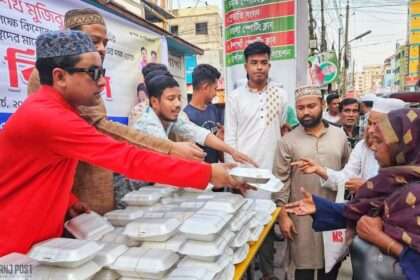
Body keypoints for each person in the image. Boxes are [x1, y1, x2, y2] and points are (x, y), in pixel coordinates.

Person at [0, 30, 250, 257]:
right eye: (94, 73)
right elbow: (128, 158)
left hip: (38, 240)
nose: (101, 82)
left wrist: (68, 201)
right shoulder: (49, 116)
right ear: (60, 76)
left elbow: (34, 172)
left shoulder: (60, 111)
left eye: (103, 73)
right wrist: (208, 173)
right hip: (13, 244)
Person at [26, 9, 203, 214]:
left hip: (90, 180)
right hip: (68, 184)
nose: (101, 49)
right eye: (94, 41)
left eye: (105, 43)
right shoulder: (48, 88)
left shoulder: (79, 79)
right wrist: (174, 152)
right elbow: (101, 131)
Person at [284, 108, 420, 280]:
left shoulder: (413, 193)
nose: (373, 147)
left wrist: (383, 240)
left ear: (402, 146)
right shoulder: (392, 181)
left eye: (378, 141)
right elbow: (363, 209)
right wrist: (320, 207)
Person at [224, 41, 289, 279]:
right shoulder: (235, 97)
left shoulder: (280, 95)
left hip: (272, 174)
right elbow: (230, 137)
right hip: (245, 177)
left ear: (269, 65)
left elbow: (281, 130)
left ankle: (269, 274)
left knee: (268, 228)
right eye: (254, 63)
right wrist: (234, 177)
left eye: (263, 63)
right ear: (245, 66)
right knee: (244, 230)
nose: (259, 67)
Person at [274, 86, 351, 280]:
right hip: (300, 218)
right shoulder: (287, 141)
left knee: (331, 265)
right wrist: (283, 216)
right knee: (303, 269)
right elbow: (279, 182)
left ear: (322, 105)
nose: (306, 112)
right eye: (301, 108)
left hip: (333, 215)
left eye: (311, 106)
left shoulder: (339, 136)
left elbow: (347, 174)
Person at [132, 69, 256, 167]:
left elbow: (198, 132)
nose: (177, 104)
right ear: (154, 102)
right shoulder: (148, 124)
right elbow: (169, 153)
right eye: (171, 99)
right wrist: (213, 171)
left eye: (179, 98)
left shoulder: (171, 118)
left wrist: (232, 151)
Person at [292, 97, 407, 195]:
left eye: (377, 125)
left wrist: (368, 187)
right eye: (370, 123)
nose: (371, 130)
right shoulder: (363, 146)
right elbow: (346, 178)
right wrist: (319, 169)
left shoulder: (410, 153)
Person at [184, 64, 224, 163]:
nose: (215, 94)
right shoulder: (185, 117)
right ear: (205, 87)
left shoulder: (213, 109)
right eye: (215, 88)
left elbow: (220, 154)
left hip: (216, 172)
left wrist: (220, 139)